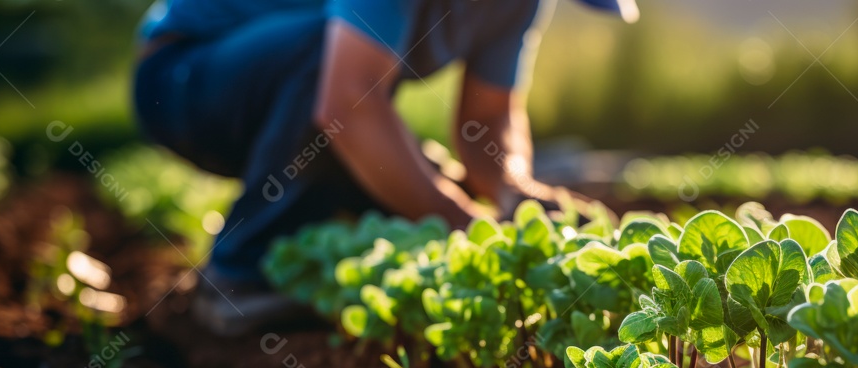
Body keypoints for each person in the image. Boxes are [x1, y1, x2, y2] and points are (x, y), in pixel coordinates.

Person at [132, 0, 638, 336]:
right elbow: (347, 99)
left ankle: (315, 219)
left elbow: (488, 119)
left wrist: (514, 190)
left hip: (298, 98)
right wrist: (461, 220)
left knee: (414, 171)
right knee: (342, 83)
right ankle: (242, 267)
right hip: (184, 81)